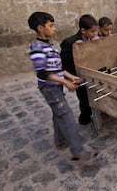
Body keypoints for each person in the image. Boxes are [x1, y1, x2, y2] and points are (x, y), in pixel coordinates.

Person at [28, 12, 99, 163]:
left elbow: (57, 68)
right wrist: (66, 83)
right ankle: (79, 151)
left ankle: (60, 141)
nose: (54, 29)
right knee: (66, 115)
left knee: (58, 113)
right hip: (50, 88)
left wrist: (71, 77)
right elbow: (43, 72)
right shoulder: (37, 48)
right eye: (51, 26)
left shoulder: (48, 45)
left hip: (55, 86)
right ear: (40, 28)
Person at [60, 14, 99, 125]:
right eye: (92, 31)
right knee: (84, 99)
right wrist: (75, 50)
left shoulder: (93, 39)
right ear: (83, 31)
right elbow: (64, 64)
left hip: (92, 72)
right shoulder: (69, 43)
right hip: (78, 76)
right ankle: (84, 118)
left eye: (96, 31)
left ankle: (98, 115)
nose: (95, 34)